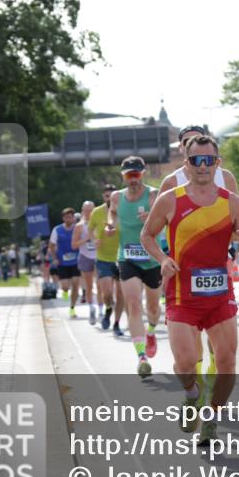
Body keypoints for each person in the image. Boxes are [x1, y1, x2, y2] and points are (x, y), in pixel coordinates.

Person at [140, 134, 239, 444]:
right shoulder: (170, 199)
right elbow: (147, 236)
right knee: (185, 362)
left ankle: (212, 417)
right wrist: (163, 259)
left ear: (217, 163)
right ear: (187, 163)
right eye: (196, 160)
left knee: (228, 363)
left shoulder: (232, 201)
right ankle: (192, 396)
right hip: (182, 295)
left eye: (209, 160)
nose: (203, 166)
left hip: (219, 294)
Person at [107, 156, 163, 377]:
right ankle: (141, 357)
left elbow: (165, 222)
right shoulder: (116, 197)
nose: (133, 179)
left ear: (143, 173)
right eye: (129, 175)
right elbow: (112, 212)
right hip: (127, 257)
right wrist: (111, 225)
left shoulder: (153, 195)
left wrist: (151, 218)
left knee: (153, 309)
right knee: (133, 303)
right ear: (123, 176)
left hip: (151, 258)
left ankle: (150, 332)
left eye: (136, 174)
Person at [90, 184, 125, 334]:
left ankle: (116, 324)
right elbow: (90, 230)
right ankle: (108, 310)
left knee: (121, 293)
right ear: (103, 197)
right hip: (103, 257)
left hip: (121, 257)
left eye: (112, 195)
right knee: (107, 293)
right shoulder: (97, 212)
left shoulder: (124, 211)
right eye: (107, 196)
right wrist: (94, 240)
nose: (110, 198)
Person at [49, 208, 82, 318]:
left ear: (73, 218)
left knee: (76, 284)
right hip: (62, 262)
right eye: (66, 217)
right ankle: (65, 291)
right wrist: (54, 258)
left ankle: (72, 308)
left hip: (75, 261)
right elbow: (52, 245)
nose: (69, 219)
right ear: (63, 218)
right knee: (65, 286)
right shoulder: (57, 230)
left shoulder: (78, 229)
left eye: (71, 217)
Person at [72, 200, 100, 324]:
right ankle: (91, 309)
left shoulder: (100, 223)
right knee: (89, 286)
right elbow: (73, 245)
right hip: (85, 257)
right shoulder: (79, 226)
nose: (88, 213)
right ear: (82, 211)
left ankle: (102, 310)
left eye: (91, 210)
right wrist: (86, 239)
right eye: (86, 210)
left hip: (99, 257)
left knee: (100, 285)